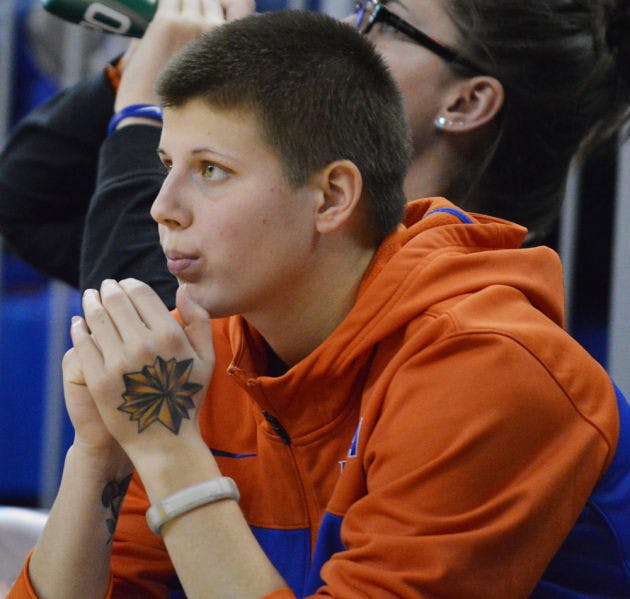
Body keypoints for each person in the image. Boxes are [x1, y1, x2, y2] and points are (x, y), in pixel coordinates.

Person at [7, 8, 630, 597]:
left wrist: (169, 449)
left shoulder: (486, 366)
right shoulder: (210, 348)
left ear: (332, 197)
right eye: (166, 163)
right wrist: (98, 456)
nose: (160, 206)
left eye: (211, 170)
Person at [0, 0, 628, 307]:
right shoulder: (302, 240)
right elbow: (31, 201)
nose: (342, 33)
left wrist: (146, 114)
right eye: (358, 8)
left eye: (384, 20)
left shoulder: (454, 313)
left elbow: (150, 349)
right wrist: (159, 56)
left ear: (465, 104)